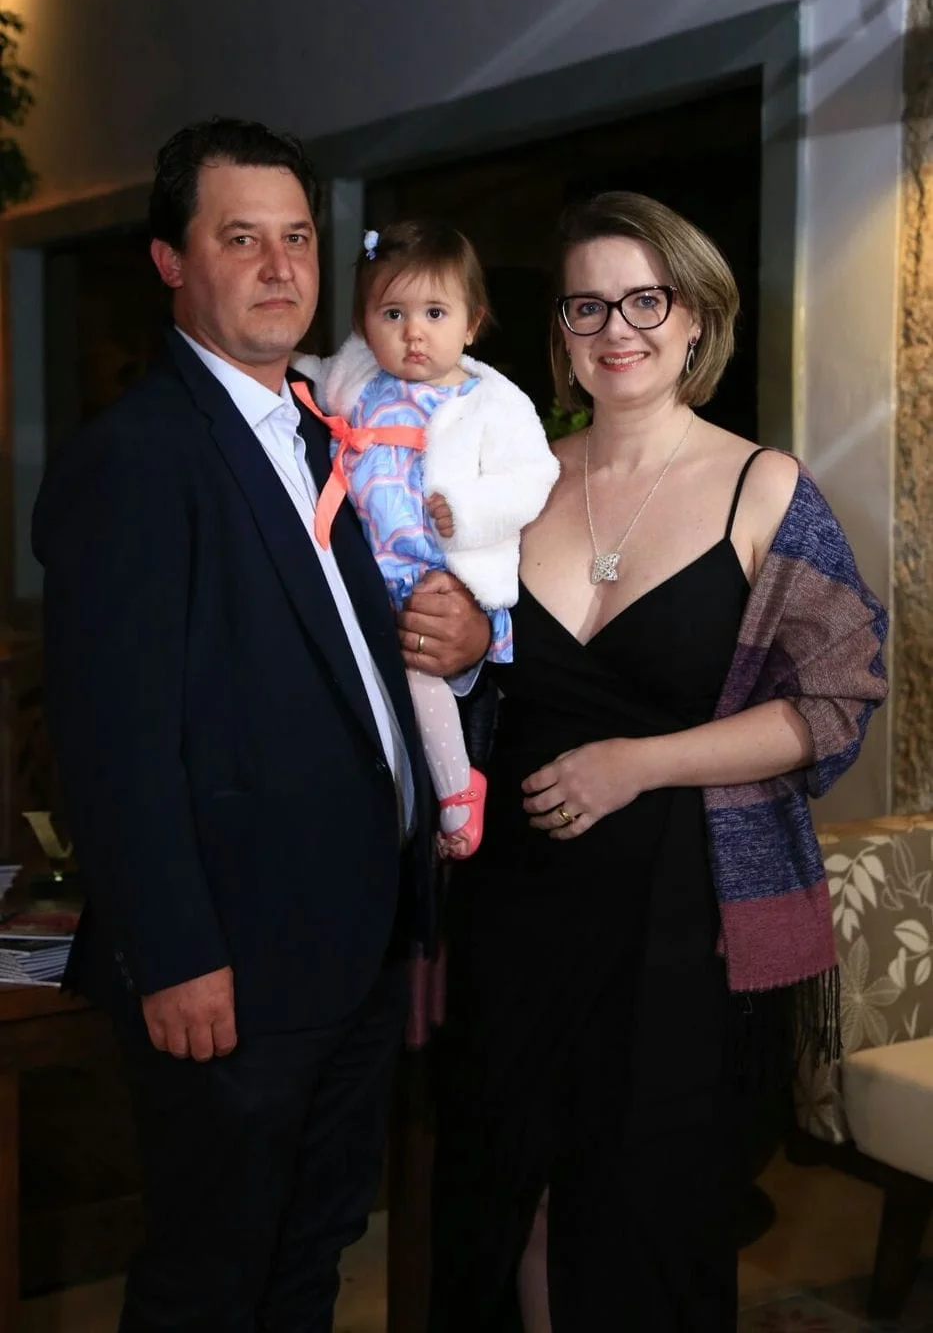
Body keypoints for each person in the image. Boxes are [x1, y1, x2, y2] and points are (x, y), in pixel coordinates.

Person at [32, 117, 490, 1333]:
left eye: (298, 237)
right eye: (242, 238)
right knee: (210, 1276)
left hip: (356, 945)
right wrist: (176, 949)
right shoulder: (135, 456)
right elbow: (112, 742)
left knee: (311, 1252)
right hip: (231, 962)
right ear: (170, 261)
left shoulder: (330, 427)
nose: (282, 266)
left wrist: (463, 644)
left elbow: (352, 661)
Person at [428, 191, 888, 1332]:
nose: (616, 327)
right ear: (562, 330)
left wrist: (639, 763)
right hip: (511, 909)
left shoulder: (762, 486)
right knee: (514, 1197)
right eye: (587, 304)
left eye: (647, 299)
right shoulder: (515, 487)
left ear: (696, 317)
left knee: (645, 1214)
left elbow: (836, 696)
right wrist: (463, 650)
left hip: (683, 915)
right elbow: (466, 685)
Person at [291, 220, 558, 859]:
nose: (414, 332)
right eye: (393, 314)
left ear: (471, 324)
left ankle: (458, 787)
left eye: (435, 313)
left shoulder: (489, 402)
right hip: (365, 572)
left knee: (420, 675)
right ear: (364, 325)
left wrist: (467, 512)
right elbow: (309, 377)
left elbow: (533, 478)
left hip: (435, 573)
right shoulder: (359, 381)